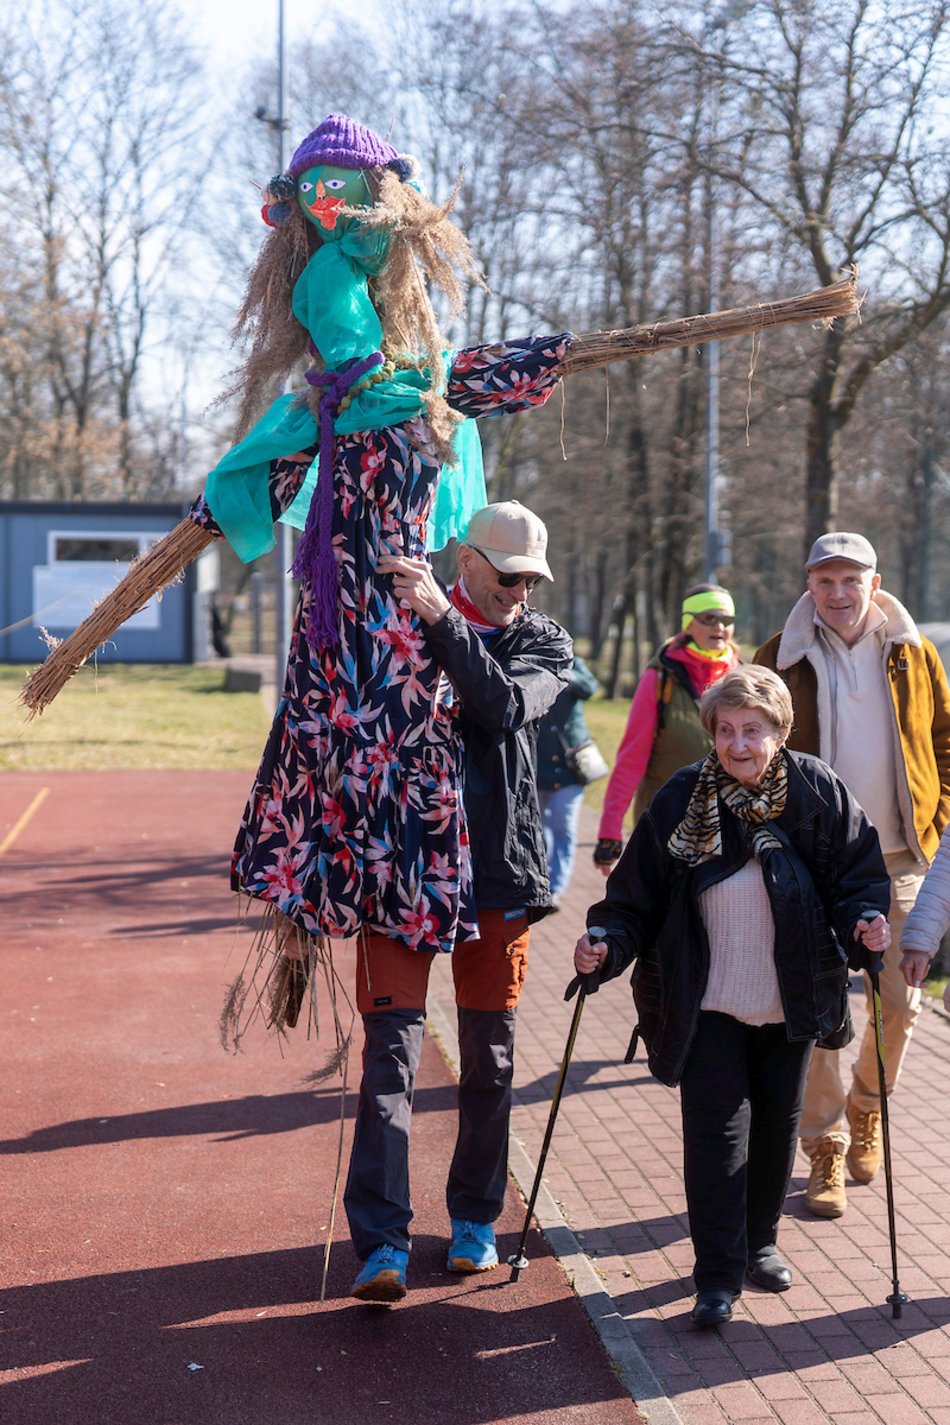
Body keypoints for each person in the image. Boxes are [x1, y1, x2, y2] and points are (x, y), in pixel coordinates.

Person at [573, 665, 890, 1327]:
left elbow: (856, 873)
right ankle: (716, 1274)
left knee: (776, 1129)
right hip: (707, 999)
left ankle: (761, 1243)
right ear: (712, 733)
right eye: (725, 730)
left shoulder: (815, 790)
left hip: (792, 997)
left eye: (753, 729)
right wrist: (604, 940)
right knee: (717, 1138)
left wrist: (865, 920)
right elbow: (635, 896)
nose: (738, 743)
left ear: (779, 731)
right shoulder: (685, 796)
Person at [342, 499, 572, 1302]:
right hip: (398, 876)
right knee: (388, 1065)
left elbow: (503, 706)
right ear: (466, 558)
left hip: (498, 880)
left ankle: (475, 1220)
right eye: (508, 574)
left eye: (531, 577)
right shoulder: (392, 622)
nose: (520, 590)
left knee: (490, 1062)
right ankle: (380, 1243)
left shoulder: (544, 641)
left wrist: (442, 618)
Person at [755, 532, 950, 1218]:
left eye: (851, 580)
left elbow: (945, 740)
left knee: (900, 999)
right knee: (817, 1005)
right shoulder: (779, 656)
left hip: (901, 856)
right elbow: (750, 751)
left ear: (876, 580)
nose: (838, 593)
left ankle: (869, 1104)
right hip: (814, 861)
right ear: (809, 583)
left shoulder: (913, 651)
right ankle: (825, 1144)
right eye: (825, 580)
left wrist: (938, 811)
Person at [593, 585, 740, 878]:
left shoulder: (743, 677)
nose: (720, 627)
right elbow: (631, 760)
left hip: (731, 826)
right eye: (708, 618)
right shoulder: (660, 677)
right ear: (688, 623)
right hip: (667, 824)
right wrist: (610, 832)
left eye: (727, 619)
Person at [536, 654, 602, 905]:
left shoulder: (571, 660)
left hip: (571, 766)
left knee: (563, 824)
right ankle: (541, 882)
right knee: (538, 828)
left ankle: (556, 887)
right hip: (537, 764)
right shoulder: (525, 658)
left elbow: (589, 688)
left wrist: (563, 672)